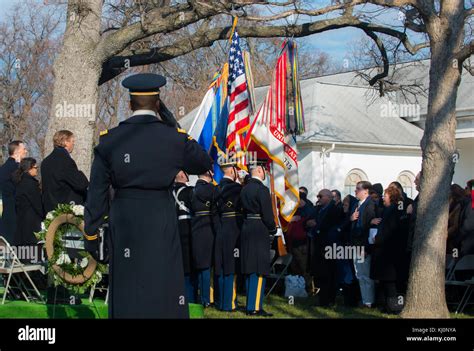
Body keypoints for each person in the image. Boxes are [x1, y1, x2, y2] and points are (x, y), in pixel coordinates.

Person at [84, 73, 213, 318]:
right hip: (160, 219)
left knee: (128, 290)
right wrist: (173, 125)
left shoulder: (109, 141)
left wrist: (91, 234)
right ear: (158, 103)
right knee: (163, 287)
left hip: (124, 221)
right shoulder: (173, 139)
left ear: (129, 104)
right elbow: (203, 161)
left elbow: (97, 192)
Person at [240, 159, 277, 316]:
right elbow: (267, 215)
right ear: (260, 171)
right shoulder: (261, 190)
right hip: (259, 229)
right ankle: (255, 307)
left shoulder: (244, 189)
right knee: (259, 269)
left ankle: (250, 304)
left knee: (250, 268)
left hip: (247, 227)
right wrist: (273, 228)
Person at [214, 162, 243, 312]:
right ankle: (229, 303)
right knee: (231, 266)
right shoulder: (237, 188)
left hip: (220, 228)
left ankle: (219, 300)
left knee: (222, 265)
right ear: (232, 171)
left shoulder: (216, 188)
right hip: (234, 229)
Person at [370, 186, 404, 313]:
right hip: (384, 251)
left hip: (389, 252)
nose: (383, 197)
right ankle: (385, 306)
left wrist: (378, 238)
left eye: (386, 195)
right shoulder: (387, 210)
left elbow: (389, 229)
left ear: (392, 197)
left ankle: (394, 308)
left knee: (390, 283)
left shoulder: (394, 210)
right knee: (385, 282)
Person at [307, 189, 344, 306]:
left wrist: (317, 226)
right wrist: (308, 223)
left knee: (330, 273)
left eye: (320, 196)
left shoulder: (335, 210)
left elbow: (332, 227)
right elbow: (309, 220)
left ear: (328, 197)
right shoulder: (317, 209)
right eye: (317, 196)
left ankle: (329, 299)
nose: (318, 198)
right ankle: (322, 298)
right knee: (321, 273)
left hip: (329, 246)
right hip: (318, 245)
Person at [191, 169, 220, 308]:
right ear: (208, 173)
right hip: (209, 230)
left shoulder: (192, 190)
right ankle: (207, 299)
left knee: (200, 265)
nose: (214, 174)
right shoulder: (212, 190)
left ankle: (201, 297)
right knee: (207, 267)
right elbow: (215, 212)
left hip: (195, 229)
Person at [41, 130, 89, 213]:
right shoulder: (65, 160)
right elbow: (80, 184)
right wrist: (81, 174)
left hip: (50, 208)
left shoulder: (45, 162)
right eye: (72, 141)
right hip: (66, 209)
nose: (73, 144)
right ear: (65, 142)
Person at [350, 180, 376, 308]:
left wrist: (366, 248)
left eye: (358, 189)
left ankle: (369, 301)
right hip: (356, 244)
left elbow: (367, 227)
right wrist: (351, 218)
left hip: (362, 245)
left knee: (365, 274)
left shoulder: (370, 204)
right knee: (359, 274)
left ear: (366, 191)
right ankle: (365, 299)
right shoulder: (357, 204)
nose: (356, 192)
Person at [12, 158, 44, 258]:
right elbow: (37, 204)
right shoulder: (30, 183)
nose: (37, 170)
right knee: (32, 258)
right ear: (29, 168)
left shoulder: (20, 181)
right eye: (35, 168)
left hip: (22, 224)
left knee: (23, 256)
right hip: (31, 224)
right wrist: (45, 215)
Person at [173, 170, 197, 303]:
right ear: (182, 175)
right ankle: (189, 297)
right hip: (186, 228)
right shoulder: (189, 192)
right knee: (188, 266)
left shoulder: (167, 192)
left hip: (172, 229)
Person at [0, 141, 28, 243]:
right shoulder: (16, 169)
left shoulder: (3, 168)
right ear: (16, 152)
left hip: (7, 212)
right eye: (24, 149)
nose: (26, 151)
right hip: (16, 213)